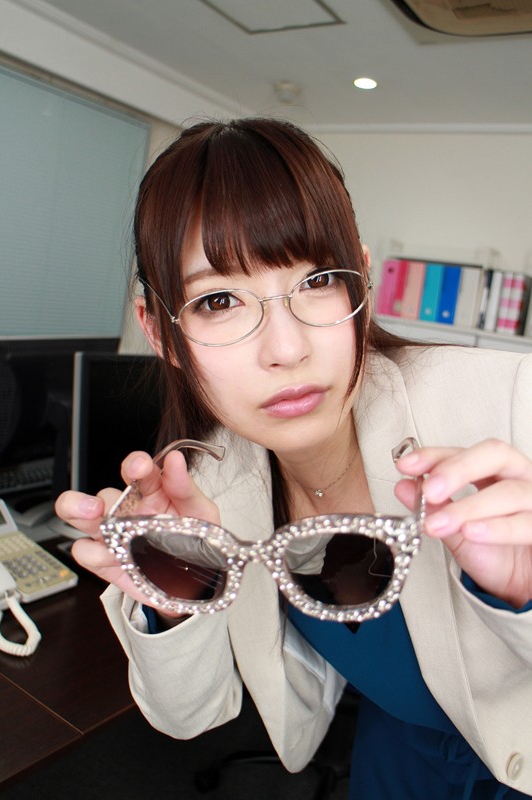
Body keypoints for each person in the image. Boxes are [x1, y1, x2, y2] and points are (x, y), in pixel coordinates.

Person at [56, 117, 532, 799]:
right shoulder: (205, 489)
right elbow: (190, 714)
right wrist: (178, 597)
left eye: (318, 281)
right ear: (160, 333)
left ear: (360, 280)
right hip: (398, 763)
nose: (287, 348)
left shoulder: (509, 407)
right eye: (219, 300)